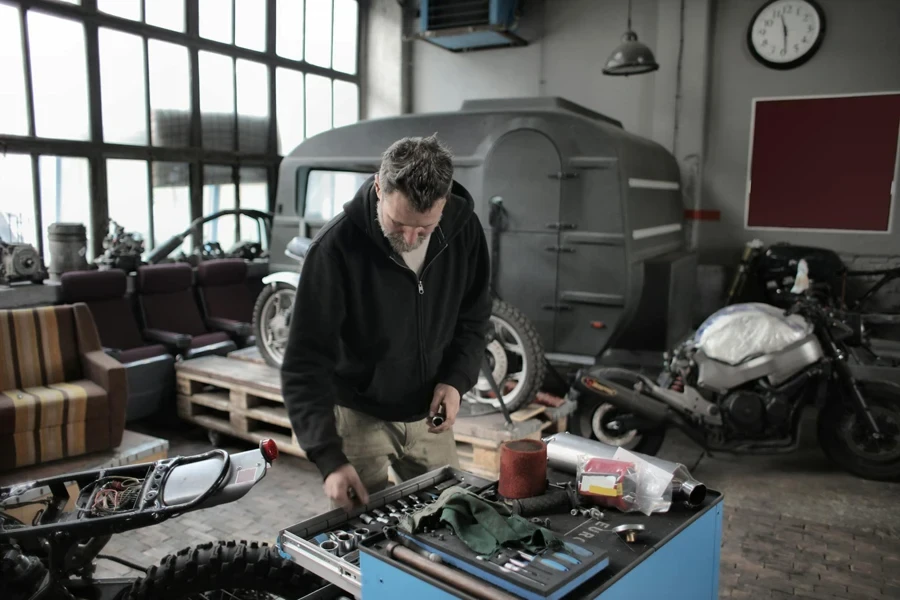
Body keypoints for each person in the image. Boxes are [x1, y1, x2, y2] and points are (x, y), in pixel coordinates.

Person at [281, 134, 492, 509]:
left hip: (430, 418)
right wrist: (328, 458)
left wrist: (456, 380)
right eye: (398, 224)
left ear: (444, 203)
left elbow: (474, 317)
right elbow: (304, 363)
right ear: (379, 187)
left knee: (454, 519)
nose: (410, 238)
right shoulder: (335, 248)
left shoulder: (464, 231)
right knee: (363, 538)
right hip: (358, 418)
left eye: (424, 229)